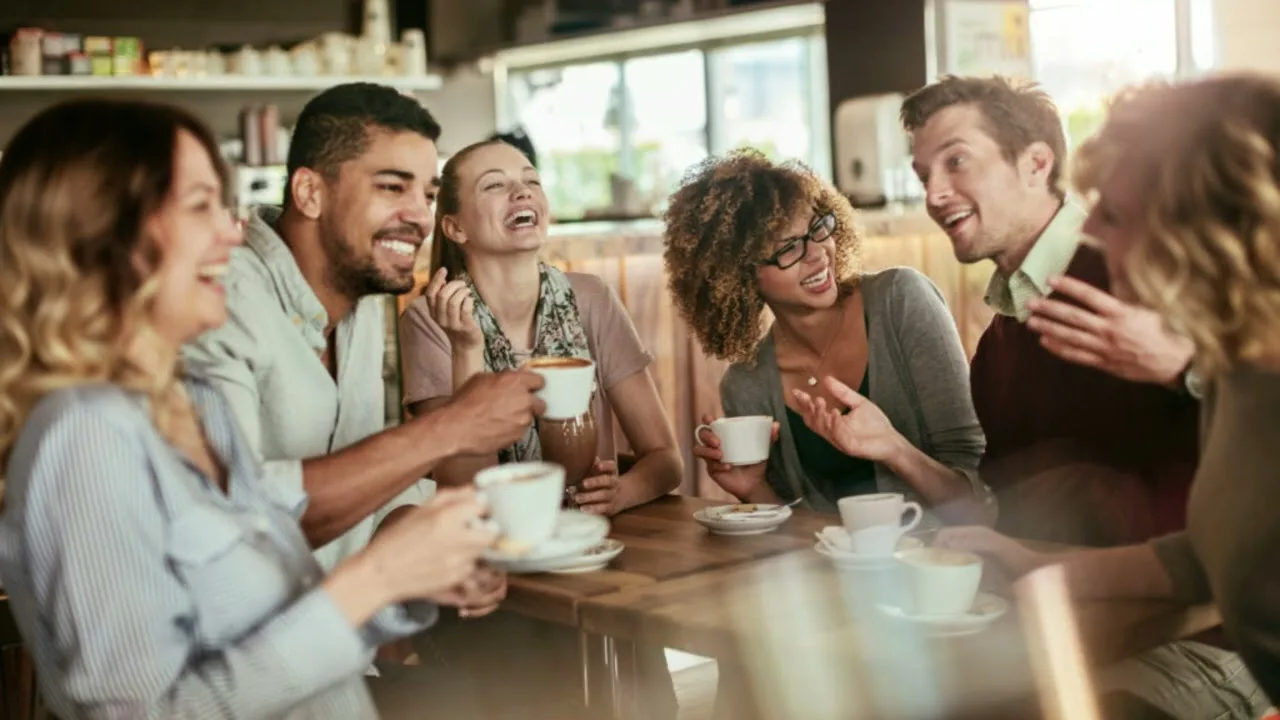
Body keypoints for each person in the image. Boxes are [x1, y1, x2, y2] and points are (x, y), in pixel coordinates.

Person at [0, 98, 497, 718]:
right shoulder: (84, 436)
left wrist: (406, 578)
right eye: (201, 206)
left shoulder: (193, 405)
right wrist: (373, 580)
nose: (233, 232)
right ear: (105, 235)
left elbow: (269, 623)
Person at [938, 74, 1280, 718]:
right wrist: (1043, 570)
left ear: (1210, 230)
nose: (1088, 227)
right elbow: (1206, 553)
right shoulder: (1241, 377)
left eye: (1115, 213)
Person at [181, 83, 540, 582]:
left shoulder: (364, 293)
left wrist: (434, 560)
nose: (420, 216)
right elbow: (238, 519)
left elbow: (375, 487)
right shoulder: (216, 303)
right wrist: (452, 426)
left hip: (344, 637)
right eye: (392, 187)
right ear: (311, 193)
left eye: (429, 194)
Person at [395, 138, 681, 718]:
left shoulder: (592, 299)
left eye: (529, 178)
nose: (521, 190)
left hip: (587, 553)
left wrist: (625, 490)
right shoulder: (431, 322)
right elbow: (462, 490)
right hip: (494, 570)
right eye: (494, 184)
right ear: (454, 226)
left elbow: (665, 458)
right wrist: (467, 350)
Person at [901, 75, 1200, 547]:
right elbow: (1008, 509)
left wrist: (1186, 369)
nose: (934, 195)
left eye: (956, 162)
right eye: (923, 175)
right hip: (1058, 599)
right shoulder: (997, 343)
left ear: (1036, 164)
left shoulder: (1144, 270)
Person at [662, 149, 991, 525]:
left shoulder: (901, 301)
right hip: (830, 575)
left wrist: (893, 448)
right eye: (788, 249)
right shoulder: (746, 385)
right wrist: (753, 489)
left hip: (938, 564)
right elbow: (797, 540)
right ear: (740, 276)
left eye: (817, 229)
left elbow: (980, 502)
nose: (818, 255)